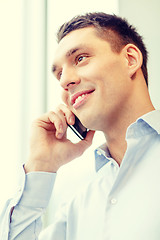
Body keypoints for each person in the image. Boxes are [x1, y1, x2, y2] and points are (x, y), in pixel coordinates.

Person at [1, 12, 160, 240]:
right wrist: (40, 165)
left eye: (80, 58)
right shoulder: (76, 206)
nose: (65, 81)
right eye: (59, 75)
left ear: (130, 60)